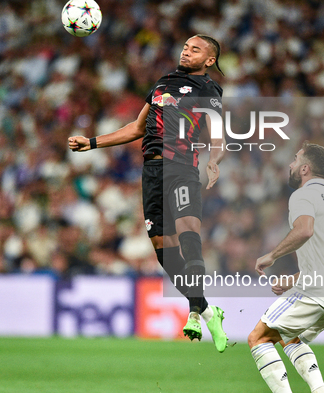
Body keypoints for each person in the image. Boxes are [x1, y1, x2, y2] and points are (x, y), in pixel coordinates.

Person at [68, 35, 228, 352]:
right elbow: (136, 128)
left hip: (182, 168)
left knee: (188, 233)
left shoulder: (208, 90)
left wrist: (214, 162)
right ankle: (210, 310)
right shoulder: (162, 83)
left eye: (196, 49)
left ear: (209, 60)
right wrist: (92, 142)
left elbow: (217, 135)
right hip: (152, 172)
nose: (186, 50)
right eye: (185, 46)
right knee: (162, 251)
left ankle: (194, 313)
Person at [248, 142, 324, 393]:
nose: (291, 165)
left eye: (295, 160)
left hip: (316, 291)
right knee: (290, 338)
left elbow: (304, 230)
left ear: (305, 169)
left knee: (258, 338)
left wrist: (272, 255)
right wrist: (294, 279)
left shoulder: (304, 194)